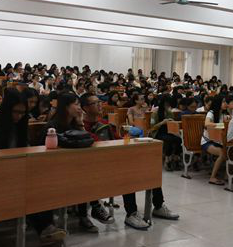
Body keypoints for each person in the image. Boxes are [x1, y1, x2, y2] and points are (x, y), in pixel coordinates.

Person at [0, 88, 67, 247]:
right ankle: (46, 229)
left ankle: (47, 228)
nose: (19, 116)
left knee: (41, 184)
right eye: (15, 112)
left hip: (19, 172)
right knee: (28, 189)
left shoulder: (20, 125)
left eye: (23, 113)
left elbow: (27, 150)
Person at [80, 93, 178, 226]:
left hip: (113, 160)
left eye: (99, 102)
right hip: (95, 167)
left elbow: (117, 140)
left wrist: (129, 140)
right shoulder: (81, 126)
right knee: (127, 172)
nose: (99, 105)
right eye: (95, 103)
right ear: (85, 108)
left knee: (151, 168)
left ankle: (159, 206)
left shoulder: (104, 123)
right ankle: (131, 213)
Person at [44, 92, 114, 233]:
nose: (79, 108)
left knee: (86, 173)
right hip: (56, 169)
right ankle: (92, 208)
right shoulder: (53, 125)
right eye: (76, 104)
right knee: (83, 174)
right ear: (66, 107)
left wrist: (80, 122)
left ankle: (86, 214)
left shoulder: (75, 124)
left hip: (75, 167)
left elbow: (87, 140)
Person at [151, 94, 182, 171]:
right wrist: (162, 123)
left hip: (168, 131)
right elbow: (152, 128)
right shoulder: (155, 112)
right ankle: (167, 160)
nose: (167, 105)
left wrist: (173, 122)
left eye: (168, 104)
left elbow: (173, 124)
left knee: (179, 139)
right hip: (158, 132)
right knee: (169, 140)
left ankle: (176, 158)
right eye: (166, 104)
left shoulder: (169, 112)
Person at [201, 95, 228, 185]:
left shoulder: (224, 113)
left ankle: (227, 175)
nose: (225, 104)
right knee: (222, 153)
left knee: (230, 150)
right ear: (218, 103)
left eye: (226, 102)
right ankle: (212, 177)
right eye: (223, 102)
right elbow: (207, 123)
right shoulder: (211, 113)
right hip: (207, 141)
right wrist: (221, 125)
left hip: (218, 140)